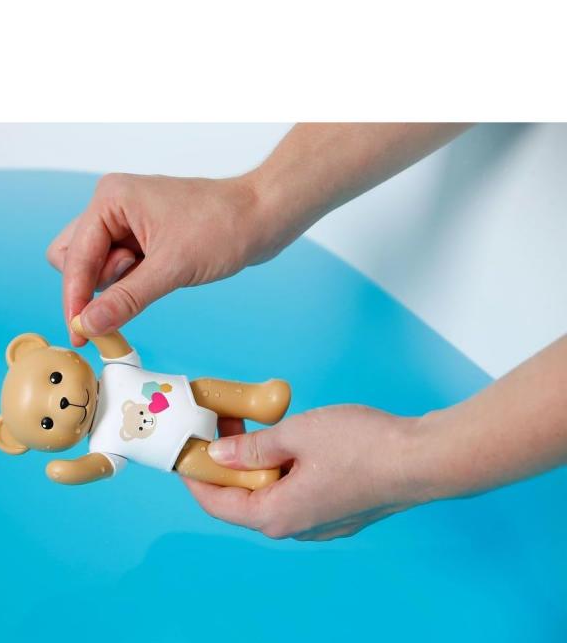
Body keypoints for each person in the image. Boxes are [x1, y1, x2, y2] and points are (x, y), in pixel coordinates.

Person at [46, 123, 567, 541]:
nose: (63, 401)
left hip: (189, 397)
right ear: (15, 440)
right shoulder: (107, 434)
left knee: (210, 393)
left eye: (52, 383)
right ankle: (250, 467)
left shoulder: (116, 377)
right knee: (205, 460)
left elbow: (110, 343)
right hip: (179, 451)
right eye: (47, 420)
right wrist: (252, 202)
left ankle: (256, 398)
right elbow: (101, 463)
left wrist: (409, 461)